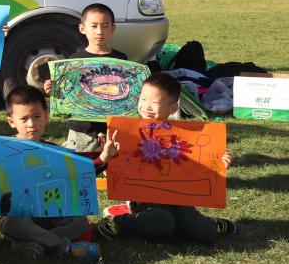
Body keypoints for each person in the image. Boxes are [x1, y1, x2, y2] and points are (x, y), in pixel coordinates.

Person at [97, 73, 237, 244]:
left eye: (154, 102)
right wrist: (107, 153)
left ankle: (211, 224)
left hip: (178, 199)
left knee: (204, 232)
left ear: (172, 108)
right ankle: (118, 222)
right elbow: (113, 167)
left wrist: (220, 162)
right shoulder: (126, 132)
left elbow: (199, 164)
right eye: (143, 99)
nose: (147, 106)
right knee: (162, 223)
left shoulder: (186, 135)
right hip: (143, 200)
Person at [0, 86, 118, 261]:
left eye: (36, 117)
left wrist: (104, 156)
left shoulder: (55, 151)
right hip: (22, 215)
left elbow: (82, 170)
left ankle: (31, 242)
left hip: (52, 214)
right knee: (7, 222)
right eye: (24, 119)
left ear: (46, 117)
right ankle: (64, 247)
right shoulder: (3, 151)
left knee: (80, 223)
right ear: (11, 121)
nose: (31, 124)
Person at [44, 3, 127, 153]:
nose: (99, 31)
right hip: (82, 130)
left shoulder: (121, 60)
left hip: (114, 129)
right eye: (94, 26)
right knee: (82, 169)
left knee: (115, 170)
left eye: (105, 26)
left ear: (113, 28)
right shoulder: (74, 61)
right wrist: (53, 90)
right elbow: (68, 97)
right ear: (82, 29)